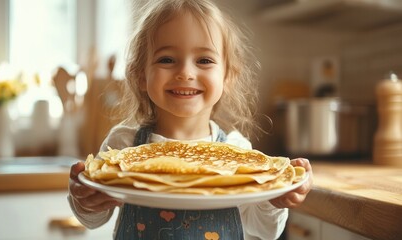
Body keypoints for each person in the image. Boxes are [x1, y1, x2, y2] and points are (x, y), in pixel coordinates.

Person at [68, 0, 313, 239]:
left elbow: (266, 230)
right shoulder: (123, 144)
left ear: (228, 76)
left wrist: (276, 199)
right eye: (166, 59)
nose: (185, 72)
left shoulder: (237, 150)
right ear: (140, 74)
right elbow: (94, 219)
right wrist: (85, 201)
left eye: (204, 60)